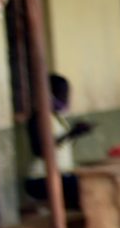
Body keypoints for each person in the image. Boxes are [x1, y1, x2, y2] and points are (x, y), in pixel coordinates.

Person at [22, 73, 91, 216]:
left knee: (90, 186)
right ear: (49, 93)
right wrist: (69, 135)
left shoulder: (58, 117)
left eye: (67, 92)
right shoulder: (38, 118)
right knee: (84, 191)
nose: (65, 97)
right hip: (40, 178)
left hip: (62, 173)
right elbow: (39, 150)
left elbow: (61, 145)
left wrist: (75, 134)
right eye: (61, 92)